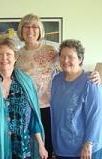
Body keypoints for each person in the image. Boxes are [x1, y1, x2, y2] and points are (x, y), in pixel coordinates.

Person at [15, 13, 101, 158]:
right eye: (26, 27)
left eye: (35, 27)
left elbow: (71, 65)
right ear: (21, 31)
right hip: (27, 109)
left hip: (48, 109)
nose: (30, 30)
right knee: (28, 149)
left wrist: (97, 74)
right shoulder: (16, 55)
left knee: (46, 149)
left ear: (40, 30)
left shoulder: (50, 51)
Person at [0, 38, 48, 159]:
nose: (4, 58)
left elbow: (33, 118)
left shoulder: (26, 83)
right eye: (0, 54)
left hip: (21, 147)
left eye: (8, 54)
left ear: (16, 57)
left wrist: (41, 144)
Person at [50, 39, 102, 159]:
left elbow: (96, 115)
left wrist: (89, 143)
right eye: (62, 56)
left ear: (80, 59)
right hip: (61, 148)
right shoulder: (56, 79)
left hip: (85, 149)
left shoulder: (91, 81)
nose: (65, 60)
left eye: (70, 57)